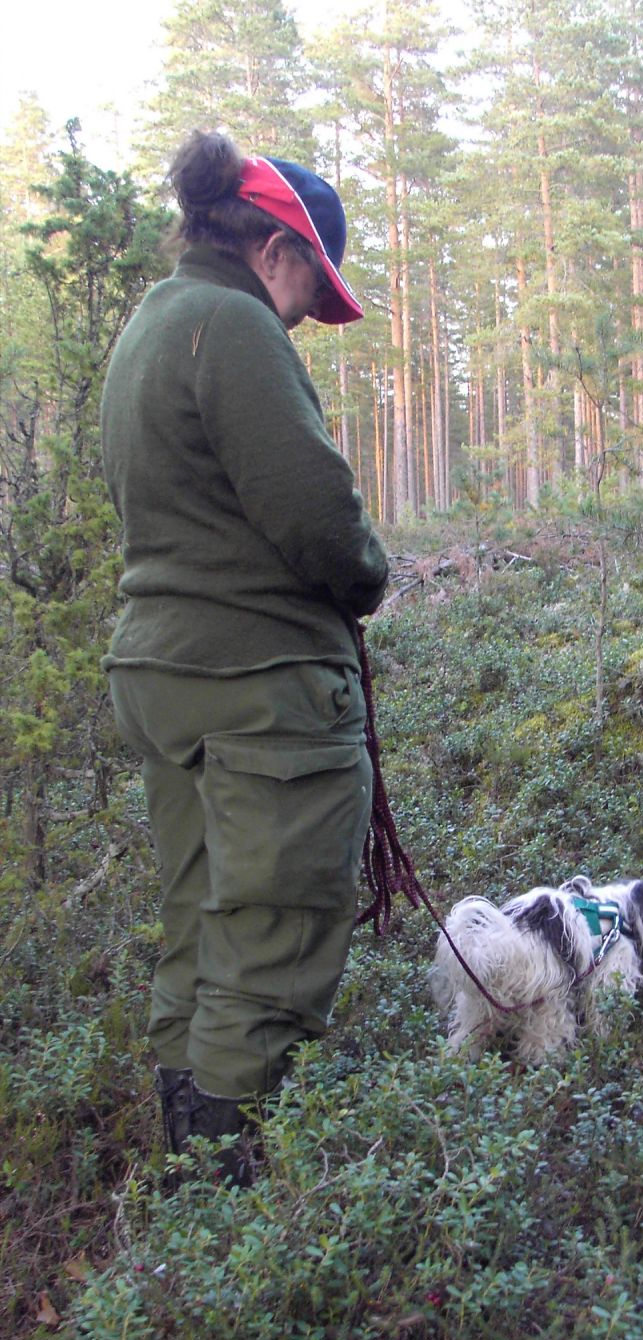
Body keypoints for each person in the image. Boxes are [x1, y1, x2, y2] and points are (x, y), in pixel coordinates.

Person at [101, 130, 388, 1186]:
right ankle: (228, 1199)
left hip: (164, 677)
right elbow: (319, 519)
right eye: (316, 286)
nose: (311, 314)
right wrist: (366, 576)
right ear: (276, 247)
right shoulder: (233, 324)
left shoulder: (150, 326)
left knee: (201, 923)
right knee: (270, 937)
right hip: (258, 689)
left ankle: (186, 1167)